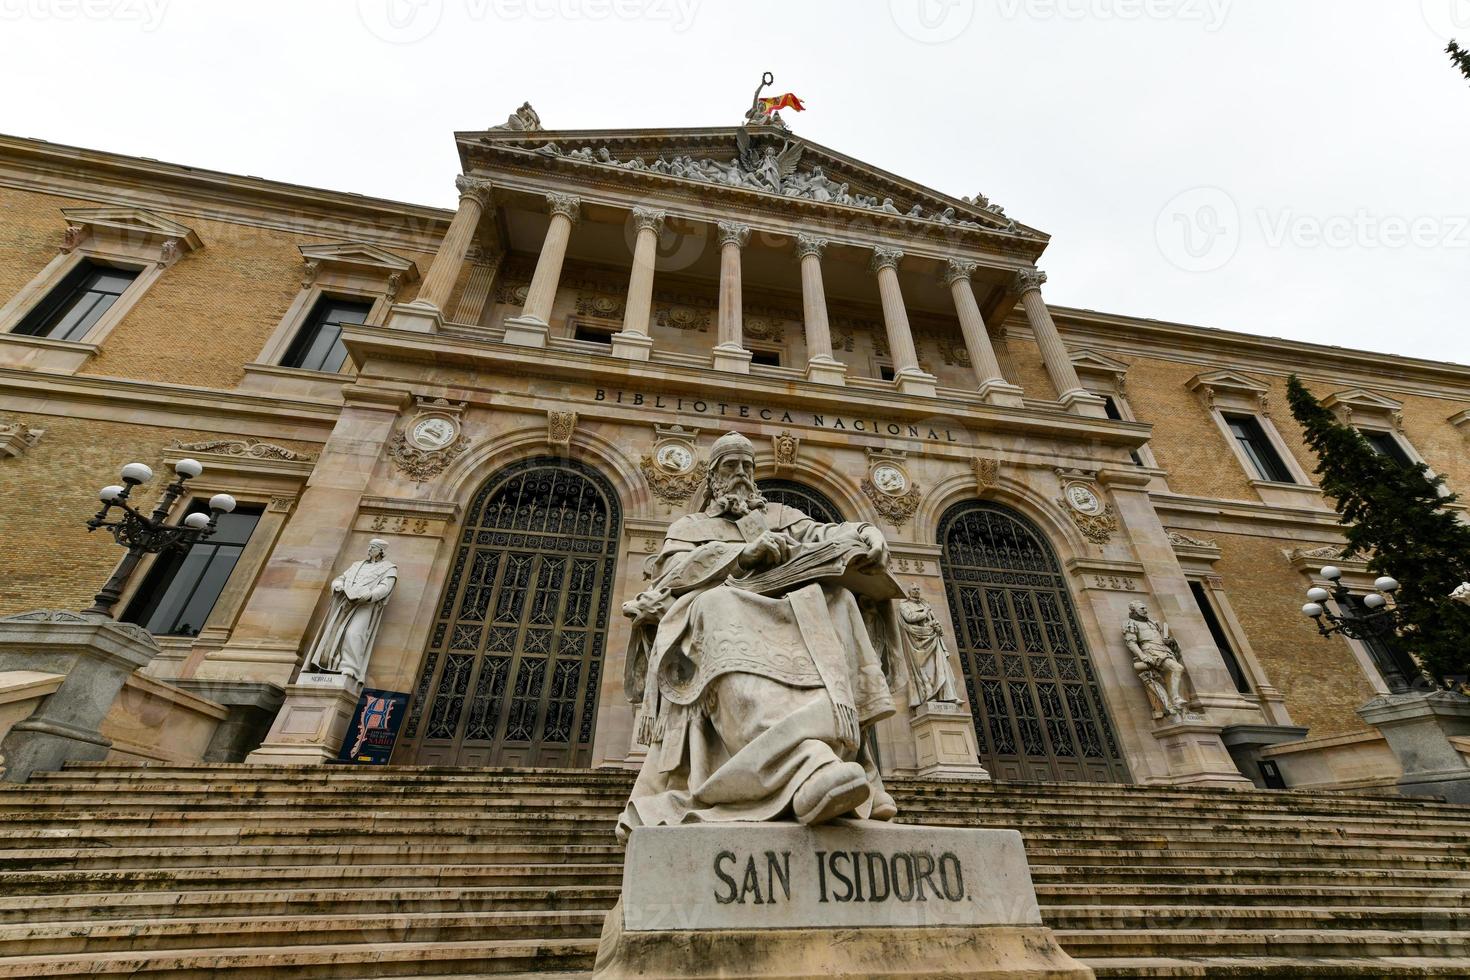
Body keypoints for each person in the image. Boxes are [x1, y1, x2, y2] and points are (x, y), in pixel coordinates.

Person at [618, 431, 905, 839]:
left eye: (748, 467)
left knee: (837, 599)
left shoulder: (780, 516)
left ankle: (845, 762)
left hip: (786, 614)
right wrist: (741, 556)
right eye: (731, 466)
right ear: (713, 475)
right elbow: (669, 575)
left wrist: (863, 534)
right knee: (715, 606)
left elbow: (822, 535)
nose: (741, 474)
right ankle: (802, 764)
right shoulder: (691, 524)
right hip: (724, 608)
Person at [303, 539, 397, 683]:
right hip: (346, 602)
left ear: (381, 551)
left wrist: (371, 595)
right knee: (333, 632)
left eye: (374, 548)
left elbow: (385, 586)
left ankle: (350, 667)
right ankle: (328, 664)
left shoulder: (389, 568)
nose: (370, 549)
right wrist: (338, 584)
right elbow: (341, 578)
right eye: (370, 547)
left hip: (366, 605)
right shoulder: (357, 565)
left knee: (354, 633)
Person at [1123, 600, 1188, 719]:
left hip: (1163, 650)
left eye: (1145, 608)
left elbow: (1160, 637)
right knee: (1178, 668)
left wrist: (1168, 641)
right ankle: (1175, 698)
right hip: (1151, 652)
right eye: (1142, 608)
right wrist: (1143, 656)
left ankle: (1175, 701)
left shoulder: (1153, 622)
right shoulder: (1131, 623)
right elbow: (1131, 643)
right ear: (1134, 610)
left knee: (1174, 672)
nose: (1145, 610)